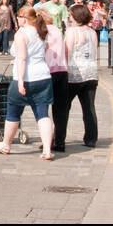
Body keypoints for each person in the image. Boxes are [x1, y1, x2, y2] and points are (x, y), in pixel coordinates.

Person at [0, 6, 54, 159]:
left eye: (19, 17)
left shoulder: (22, 34)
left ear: (24, 19)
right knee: (42, 114)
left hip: (26, 78)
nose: (17, 20)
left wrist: (20, 82)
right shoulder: (41, 32)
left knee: (13, 112)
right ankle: (47, 150)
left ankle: (6, 144)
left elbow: (22, 59)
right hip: (43, 77)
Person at [64, 4, 99, 147]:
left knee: (63, 106)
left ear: (75, 16)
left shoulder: (72, 32)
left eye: (70, 15)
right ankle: (91, 138)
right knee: (89, 107)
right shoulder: (92, 32)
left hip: (74, 73)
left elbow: (67, 52)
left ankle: (58, 137)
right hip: (91, 72)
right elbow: (94, 49)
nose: (69, 17)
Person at [41, 9, 71, 152]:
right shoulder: (57, 30)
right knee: (60, 110)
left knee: (43, 108)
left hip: (47, 72)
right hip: (62, 70)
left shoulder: (42, 32)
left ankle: (48, 140)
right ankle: (60, 141)